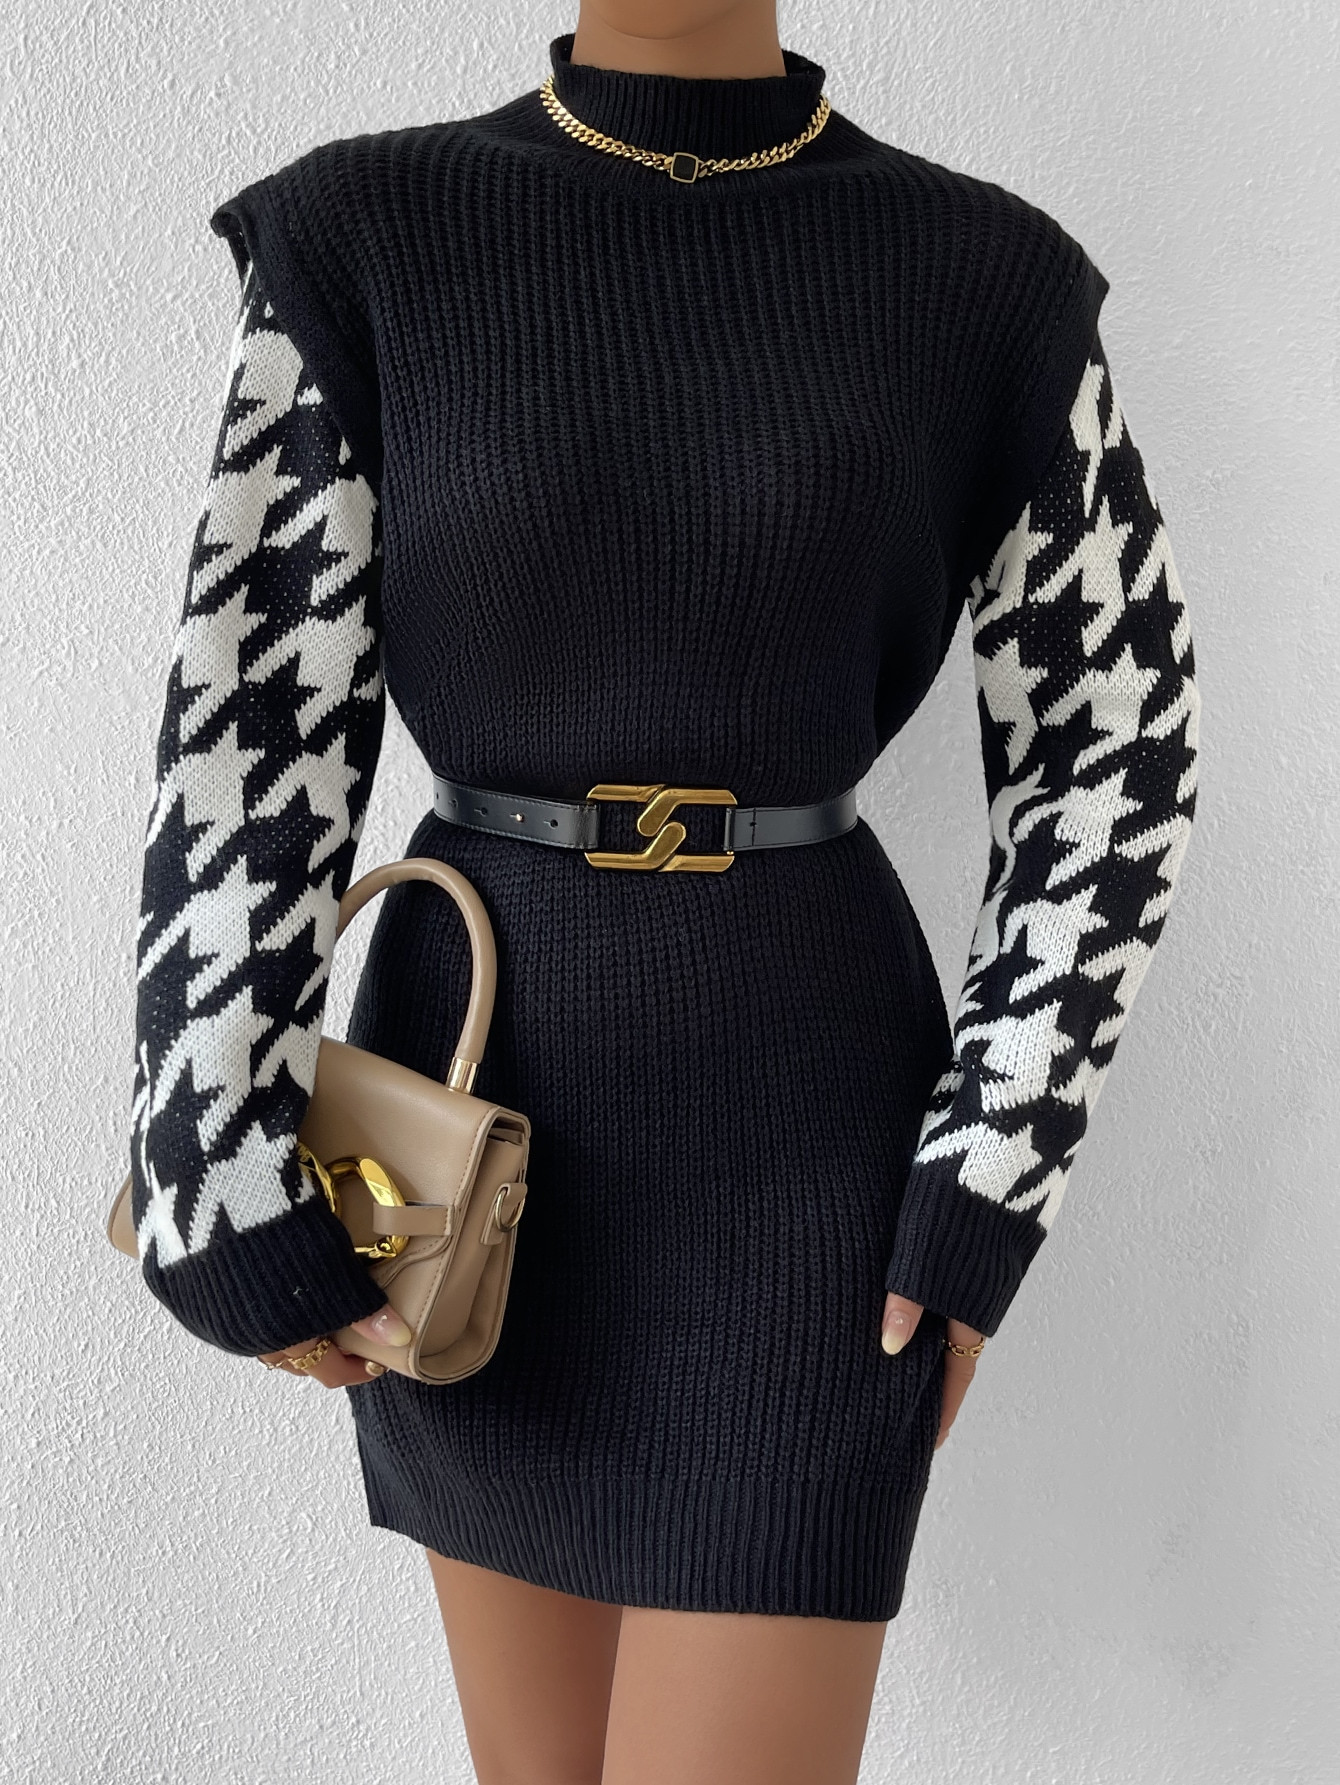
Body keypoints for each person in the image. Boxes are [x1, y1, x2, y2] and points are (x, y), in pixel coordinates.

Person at [125, 4, 1200, 1780]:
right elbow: (249, 724)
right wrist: (210, 1163)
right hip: (463, 1132)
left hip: (814, 1156)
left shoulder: (988, 281)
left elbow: (1117, 747)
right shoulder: (360, 242)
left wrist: (992, 1168)